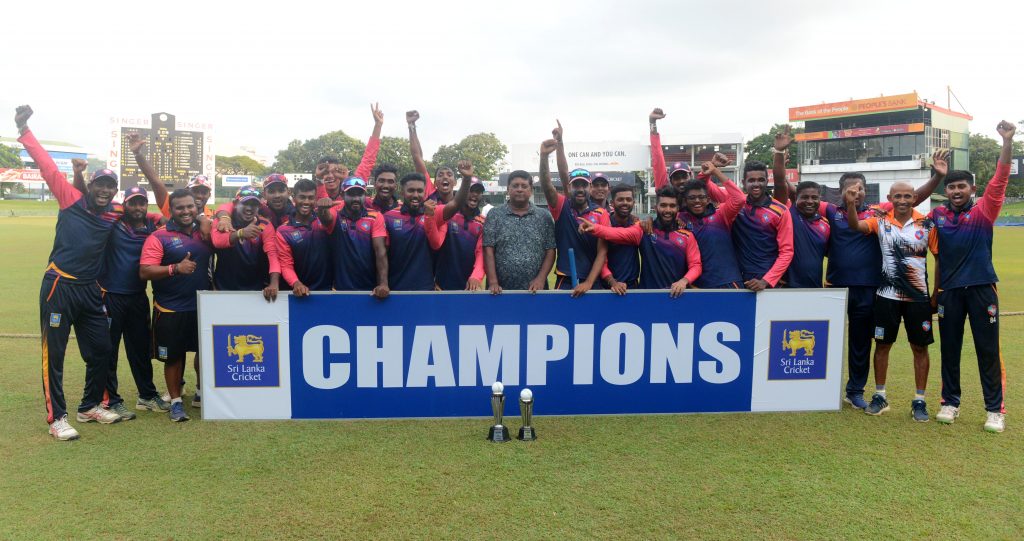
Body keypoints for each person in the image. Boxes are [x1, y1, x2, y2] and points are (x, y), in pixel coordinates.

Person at [805, 152, 946, 410]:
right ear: (840, 191)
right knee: (824, 339)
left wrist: (937, 176)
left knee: (861, 341)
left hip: (869, 288)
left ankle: (855, 390)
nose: (855, 193)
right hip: (835, 287)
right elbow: (802, 197)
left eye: (859, 189)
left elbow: (913, 196)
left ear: (865, 191)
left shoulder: (878, 212)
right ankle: (816, 389)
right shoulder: (830, 209)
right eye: (850, 189)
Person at [17, 105, 123, 440]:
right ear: (91, 186)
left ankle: (89, 406)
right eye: (100, 185)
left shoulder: (114, 213)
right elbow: (47, 166)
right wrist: (24, 130)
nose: (105, 190)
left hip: (90, 290)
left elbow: (147, 217)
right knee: (56, 354)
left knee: (102, 348)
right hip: (59, 286)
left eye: (110, 186)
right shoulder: (70, 200)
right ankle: (57, 418)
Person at [929, 120, 1016, 433]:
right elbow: (909, 216)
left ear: (972, 190)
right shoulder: (937, 215)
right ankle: (950, 403)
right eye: (951, 187)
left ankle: (995, 410)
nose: (956, 191)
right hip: (950, 292)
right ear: (946, 191)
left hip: (981, 289)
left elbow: (1001, 177)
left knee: (987, 350)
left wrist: (1007, 142)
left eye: (961, 187)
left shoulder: (984, 211)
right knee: (949, 349)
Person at [846, 182, 934, 421]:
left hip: (918, 297)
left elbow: (939, 258)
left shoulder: (927, 224)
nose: (902, 200)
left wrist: (936, 294)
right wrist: (851, 204)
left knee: (920, 347)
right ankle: (880, 396)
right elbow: (855, 225)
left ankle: (919, 400)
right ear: (890, 198)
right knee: (883, 345)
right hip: (887, 296)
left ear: (914, 197)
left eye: (907, 196)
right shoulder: (880, 220)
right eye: (898, 196)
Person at [140, 189, 214, 422]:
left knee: (204, 351)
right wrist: (175, 268)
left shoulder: (205, 231)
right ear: (170, 210)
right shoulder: (159, 237)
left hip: (203, 305)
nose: (186, 211)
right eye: (180, 207)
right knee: (174, 357)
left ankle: (201, 393)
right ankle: (176, 402)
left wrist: (209, 220)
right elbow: (145, 271)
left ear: (197, 207)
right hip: (170, 308)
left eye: (190, 206)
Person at [97, 183, 168, 419]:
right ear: (125, 204)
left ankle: (146, 395)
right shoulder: (115, 222)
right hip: (110, 295)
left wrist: (156, 216)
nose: (137, 207)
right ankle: (110, 400)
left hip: (138, 295)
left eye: (141, 203)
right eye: (132, 203)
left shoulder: (153, 225)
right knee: (108, 350)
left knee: (140, 348)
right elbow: (102, 206)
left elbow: (168, 219)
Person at [580, 186, 702, 296]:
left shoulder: (687, 236)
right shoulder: (644, 230)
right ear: (656, 207)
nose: (668, 210)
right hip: (646, 297)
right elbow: (618, 233)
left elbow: (696, 265)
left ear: (678, 208)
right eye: (663, 205)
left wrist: (683, 281)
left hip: (676, 296)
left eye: (672, 206)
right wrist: (594, 228)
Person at [539, 121, 609, 296]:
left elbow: (602, 252)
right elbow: (547, 185)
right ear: (569, 187)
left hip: (593, 281)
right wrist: (544, 157)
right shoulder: (562, 206)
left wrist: (589, 282)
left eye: (584, 185)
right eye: (576, 185)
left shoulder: (601, 213)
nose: (580, 189)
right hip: (565, 279)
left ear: (590, 188)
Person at [482, 171, 556, 294]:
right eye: (515, 186)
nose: (519, 189)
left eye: (524, 186)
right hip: (499, 291)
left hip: (535, 290)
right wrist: (493, 282)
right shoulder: (494, 214)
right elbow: (488, 249)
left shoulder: (544, 216)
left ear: (531, 190)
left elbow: (550, 250)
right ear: (508, 189)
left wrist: (541, 279)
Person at [317, 177, 390, 298]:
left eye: (360, 194)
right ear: (342, 195)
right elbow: (326, 219)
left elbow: (380, 251)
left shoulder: (375, 216)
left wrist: (383, 284)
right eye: (351, 194)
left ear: (365, 195)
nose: (356, 198)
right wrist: (322, 209)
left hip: (370, 288)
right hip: (340, 288)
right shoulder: (336, 214)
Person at [679, 160, 746, 289]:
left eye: (701, 197)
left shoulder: (721, 213)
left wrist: (715, 171)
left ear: (708, 199)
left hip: (728, 282)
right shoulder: (680, 218)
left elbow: (740, 199)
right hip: (697, 286)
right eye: (692, 198)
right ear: (685, 201)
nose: (697, 201)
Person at [730, 160, 793, 291]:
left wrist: (766, 281)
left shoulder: (781, 210)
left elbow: (787, 252)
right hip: (738, 278)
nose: (756, 184)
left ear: (767, 181)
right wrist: (713, 169)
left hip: (768, 281)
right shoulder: (737, 205)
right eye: (751, 180)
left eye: (761, 180)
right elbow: (710, 190)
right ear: (743, 183)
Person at [211, 186, 282, 301]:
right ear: (235, 204)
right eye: (245, 203)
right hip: (223, 288)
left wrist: (274, 283)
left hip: (255, 290)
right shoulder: (223, 221)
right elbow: (218, 241)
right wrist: (241, 233)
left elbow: (272, 254)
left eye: (254, 204)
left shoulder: (264, 224)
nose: (249, 208)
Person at [428, 160, 486, 291]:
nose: (474, 194)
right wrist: (431, 279)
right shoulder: (448, 214)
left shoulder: (483, 222)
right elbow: (432, 245)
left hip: (469, 287)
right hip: (441, 286)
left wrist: (476, 277)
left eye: (478, 191)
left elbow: (481, 252)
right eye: (471, 190)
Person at [315, 103, 383, 203]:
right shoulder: (311, 194)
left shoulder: (354, 184)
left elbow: (368, 160)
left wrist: (378, 125)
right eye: (325, 172)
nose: (330, 176)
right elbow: (324, 203)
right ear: (319, 175)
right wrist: (319, 181)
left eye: (334, 171)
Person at [276, 178, 332, 296]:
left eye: (311, 198)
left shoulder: (323, 221)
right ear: (294, 197)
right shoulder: (283, 231)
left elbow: (331, 217)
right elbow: (286, 264)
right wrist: (296, 283)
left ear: (315, 199)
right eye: (302, 197)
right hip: (301, 293)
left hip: (328, 291)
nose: (306, 202)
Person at [382, 173, 436, 291]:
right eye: (411, 190)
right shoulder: (388, 217)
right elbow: (382, 254)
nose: (415, 195)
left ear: (425, 193)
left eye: (419, 191)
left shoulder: (432, 216)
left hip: (426, 288)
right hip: (395, 289)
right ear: (402, 192)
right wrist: (383, 283)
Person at [601, 184, 640, 293]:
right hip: (607, 287)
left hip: (632, 287)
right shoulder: (604, 223)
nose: (625, 203)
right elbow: (600, 259)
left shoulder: (637, 224)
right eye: (620, 199)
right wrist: (613, 282)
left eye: (628, 199)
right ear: (612, 203)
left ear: (633, 202)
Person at [407, 110, 447, 204]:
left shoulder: (460, 201)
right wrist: (411, 125)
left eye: (449, 175)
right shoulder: (430, 192)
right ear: (435, 183)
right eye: (440, 175)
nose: (445, 177)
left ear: (454, 182)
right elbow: (418, 157)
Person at [649, 108, 692, 190]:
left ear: (691, 176)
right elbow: (657, 157)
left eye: (684, 177)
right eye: (676, 178)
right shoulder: (665, 192)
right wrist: (652, 122)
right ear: (671, 181)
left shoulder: (698, 194)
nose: (681, 181)